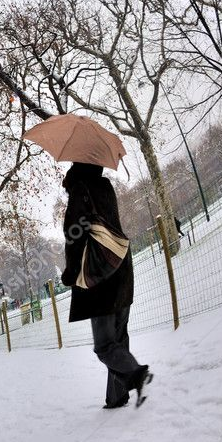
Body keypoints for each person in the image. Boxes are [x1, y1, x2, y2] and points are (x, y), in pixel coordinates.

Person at [61, 162, 153, 409]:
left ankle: (137, 373)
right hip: (121, 267)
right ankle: (117, 396)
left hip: (99, 275)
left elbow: (73, 234)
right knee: (119, 338)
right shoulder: (105, 187)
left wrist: (70, 273)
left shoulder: (81, 190)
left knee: (104, 345)